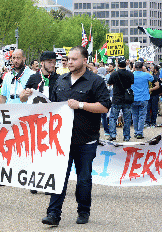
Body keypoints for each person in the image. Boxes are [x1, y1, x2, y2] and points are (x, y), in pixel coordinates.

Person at [42, 46, 111, 226]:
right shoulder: (61, 81)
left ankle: (83, 211)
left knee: (83, 179)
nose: (70, 62)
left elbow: (104, 107)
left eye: (74, 59)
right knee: (59, 177)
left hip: (86, 140)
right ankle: (53, 214)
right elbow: (53, 107)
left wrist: (81, 105)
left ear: (84, 61)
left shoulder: (96, 81)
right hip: (62, 140)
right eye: (68, 59)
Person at [107, 57, 134, 142]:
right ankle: (126, 136)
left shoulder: (114, 74)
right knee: (127, 119)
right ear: (125, 64)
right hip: (127, 99)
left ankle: (112, 134)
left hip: (116, 98)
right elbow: (131, 83)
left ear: (118, 65)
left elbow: (109, 83)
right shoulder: (130, 74)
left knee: (113, 117)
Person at [131, 61, 154, 139]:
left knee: (134, 116)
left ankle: (136, 131)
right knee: (142, 116)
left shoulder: (132, 75)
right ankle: (140, 133)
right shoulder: (146, 75)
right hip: (144, 97)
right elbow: (152, 78)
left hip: (134, 97)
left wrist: (132, 70)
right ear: (142, 67)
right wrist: (146, 70)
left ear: (135, 67)